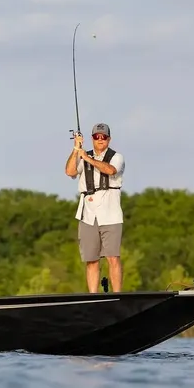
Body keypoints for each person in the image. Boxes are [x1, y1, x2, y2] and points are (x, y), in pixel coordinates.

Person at [64, 122, 125, 293]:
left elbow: (111, 170)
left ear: (109, 139)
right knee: (91, 259)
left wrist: (88, 158)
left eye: (103, 137)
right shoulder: (82, 155)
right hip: (88, 214)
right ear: (92, 138)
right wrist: (77, 149)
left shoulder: (116, 157)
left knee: (113, 257)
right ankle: (93, 296)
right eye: (96, 137)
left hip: (111, 214)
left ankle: (118, 294)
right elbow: (69, 172)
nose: (100, 140)